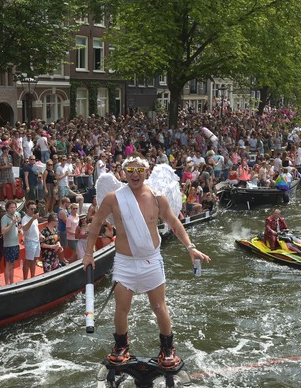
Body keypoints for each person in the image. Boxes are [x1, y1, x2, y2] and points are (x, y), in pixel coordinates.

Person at [82, 153, 210, 368]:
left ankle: (167, 349)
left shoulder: (158, 197)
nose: (134, 175)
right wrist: (88, 254)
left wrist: (190, 247)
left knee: (160, 306)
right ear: (124, 173)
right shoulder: (113, 198)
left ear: (146, 172)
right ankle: (121, 346)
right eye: (130, 171)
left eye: (139, 171)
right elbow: (95, 224)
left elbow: (174, 223)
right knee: (121, 308)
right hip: (125, 262)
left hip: (151, 260)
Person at [0, 200, 21, 285]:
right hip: (9, 245)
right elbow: (3, 231)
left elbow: (15, 228)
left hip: (16, 243)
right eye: (11, 207)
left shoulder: (16, 215)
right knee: (8, 265)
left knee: (13, 265)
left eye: (14, 207)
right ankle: (7, 284)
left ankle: (11, 283)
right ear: (7, 209)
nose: (13, 209)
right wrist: (12, 223)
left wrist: (18, 229)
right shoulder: (5, 218)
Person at [20, 201, 41, 280]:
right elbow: (25, 228)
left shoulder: (34, 218)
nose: (33, 211)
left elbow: (36, 228)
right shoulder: (25, 218)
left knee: (34, 260)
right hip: (30, 242)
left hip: (37, 241)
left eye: (34, 209)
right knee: (28, 260)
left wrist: (40, 235)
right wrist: (32, 219)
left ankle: (32, 277)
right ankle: (25, 279)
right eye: (31, 209)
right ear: (27, 209)